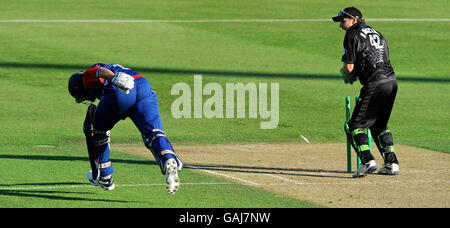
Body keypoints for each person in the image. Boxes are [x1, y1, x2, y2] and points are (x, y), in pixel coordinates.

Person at [68, 63, 183, 194]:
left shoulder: (84, 78)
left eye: (81, 97)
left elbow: (100, 72)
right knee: (153, 132)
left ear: (78, 88)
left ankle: (104, 175)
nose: (85, 99)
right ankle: (168, 157)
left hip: (121, 89)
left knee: (98, 127)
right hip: (143, 86)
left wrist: (114, 78)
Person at [332, 7, 400, 178]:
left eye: (343, 21)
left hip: (375, 84)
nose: (341, 25)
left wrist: (347, 73)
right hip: (391, 82)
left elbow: (348, 67)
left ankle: (367, 161)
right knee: (379, 125)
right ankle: (391, 164)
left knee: (354, 126)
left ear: (354, 20)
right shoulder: (377, 33)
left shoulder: (352, 35)